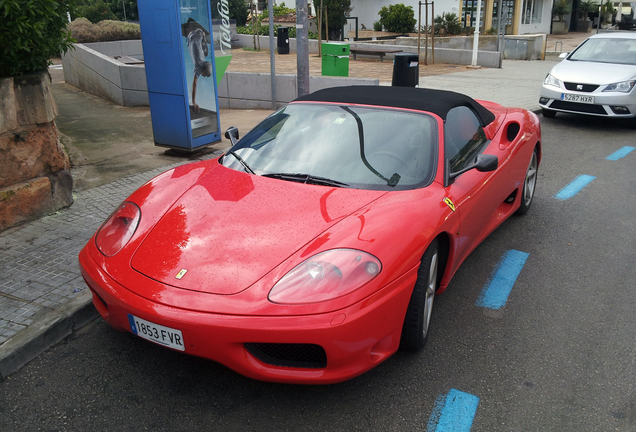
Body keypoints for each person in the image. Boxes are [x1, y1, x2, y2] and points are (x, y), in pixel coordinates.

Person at [183, 19, 212, 113]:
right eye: (204, 75)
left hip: (198, 33)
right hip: (189, 36)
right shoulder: (198, 67)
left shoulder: (203, 60)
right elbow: (194, 84)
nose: (202, 76)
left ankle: (190, 23)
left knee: (205, 52)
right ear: (203, 70)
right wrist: (194, 102)